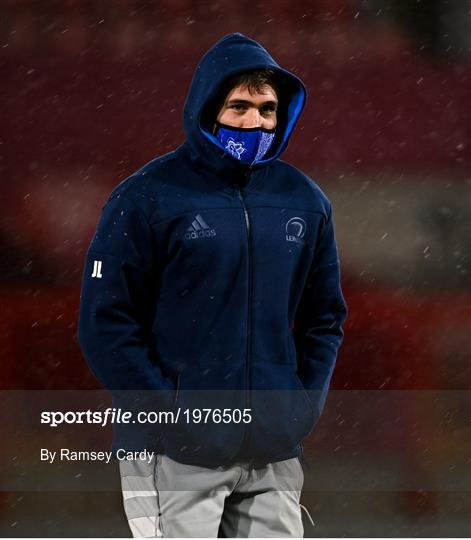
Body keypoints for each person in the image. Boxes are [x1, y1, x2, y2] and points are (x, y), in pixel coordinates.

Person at [78, 33, 348, 538]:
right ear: (207, 108)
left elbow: (324, 318)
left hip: (272, 450)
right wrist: (172, 418)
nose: (255, 123)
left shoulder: (305, 200)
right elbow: (105, 325)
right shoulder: (144, 198)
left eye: (267, 109)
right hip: (174, 453)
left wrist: (299, 408)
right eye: (239, 106)